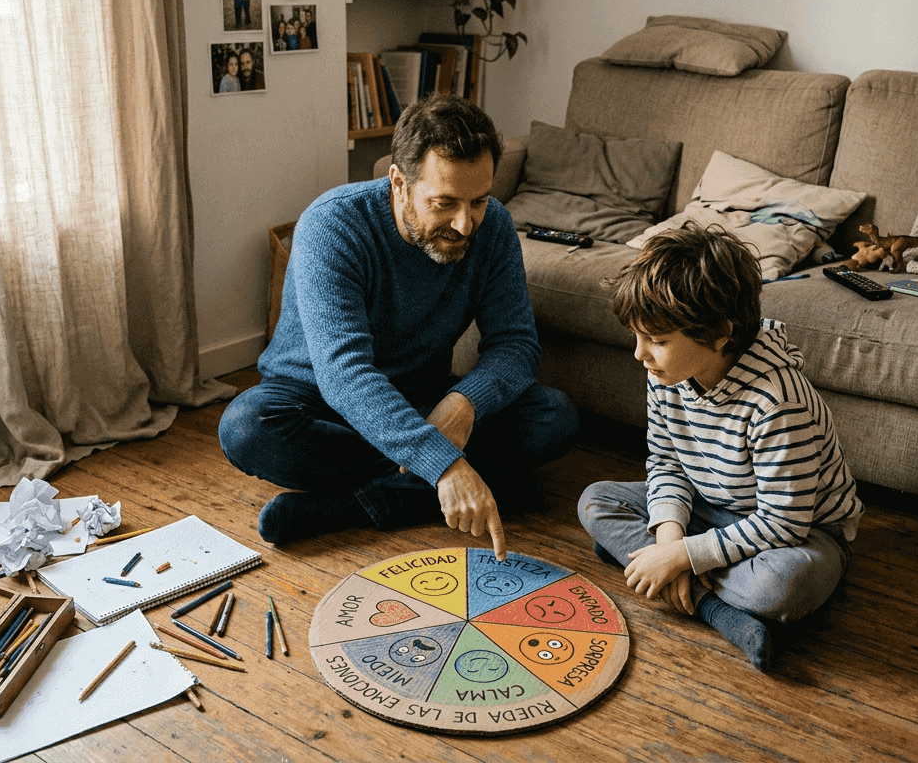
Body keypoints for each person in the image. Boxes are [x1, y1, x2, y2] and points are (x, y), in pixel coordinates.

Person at [219, 93, 579, 560]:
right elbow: (345, 375)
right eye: (445, 203)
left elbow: (515, 345)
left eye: (479, 201)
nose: (466, 224)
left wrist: (463, 403)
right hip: (319, 401)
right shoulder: (331, 226)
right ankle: (458, 487)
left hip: (424, 395)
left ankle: (352, 507)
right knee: (248, 427)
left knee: (555, 416)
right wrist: (444, 464)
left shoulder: (494, 228)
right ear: (398, 183)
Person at [577, 221, 863, 671]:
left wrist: (681, 556)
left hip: (801, 531)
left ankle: (655, 569)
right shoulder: (669, 373)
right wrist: (671, 537)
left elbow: (784, 523)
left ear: (719, 331)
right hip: (713, 506)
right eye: (638, 336)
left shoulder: (777, 401)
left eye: (657, 340)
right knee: (595, 501)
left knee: (780, 588)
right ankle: (712, 605)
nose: (639, 354)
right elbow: (667, 462)